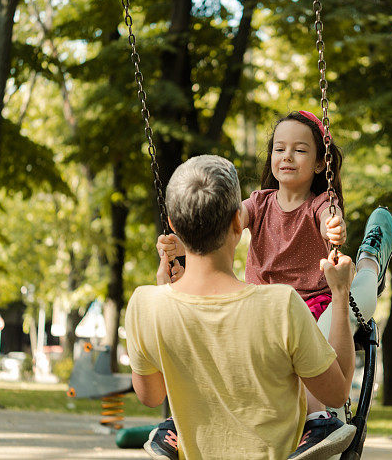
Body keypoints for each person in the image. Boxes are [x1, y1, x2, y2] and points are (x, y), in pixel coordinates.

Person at [154, 112, 392, 457]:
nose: (287, 156)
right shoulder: (258, 202)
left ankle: (320, 418)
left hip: (315, 303)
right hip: (259, 307)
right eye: (279, 148)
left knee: (329, 322)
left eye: (300, 150)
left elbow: (330, 216)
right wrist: (182, 240)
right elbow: (222, 222)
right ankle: (186, 420)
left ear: (319, 164)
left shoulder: (319, 204)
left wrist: (335, 226)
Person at [125, 155, 357, 460]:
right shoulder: (281, 304)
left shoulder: (145, 304)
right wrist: (339, 293)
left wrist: (165, 292)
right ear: (239, 220)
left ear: (172, 224)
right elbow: (336, 393)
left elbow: (150, 396)